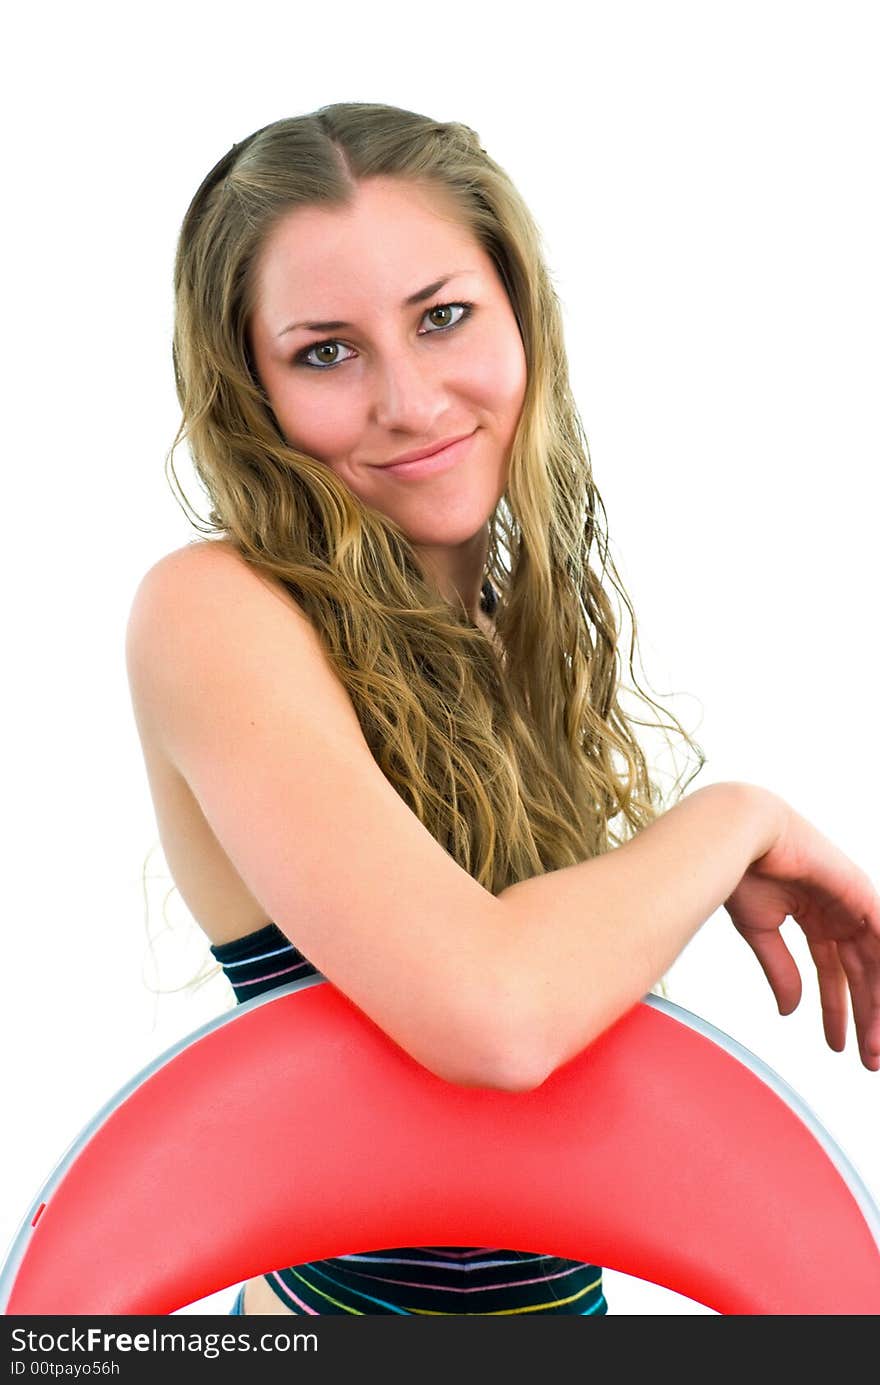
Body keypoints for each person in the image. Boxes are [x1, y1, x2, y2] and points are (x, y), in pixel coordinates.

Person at [124, 102, 880, 1317]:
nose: (412, 401)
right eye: (325, 350)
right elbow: (497, 1015)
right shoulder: (213, 612)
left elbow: (547, 1133)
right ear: (247, 387)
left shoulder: (510, 633)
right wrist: (732, 822)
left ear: (521, 313)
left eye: (441, 317)